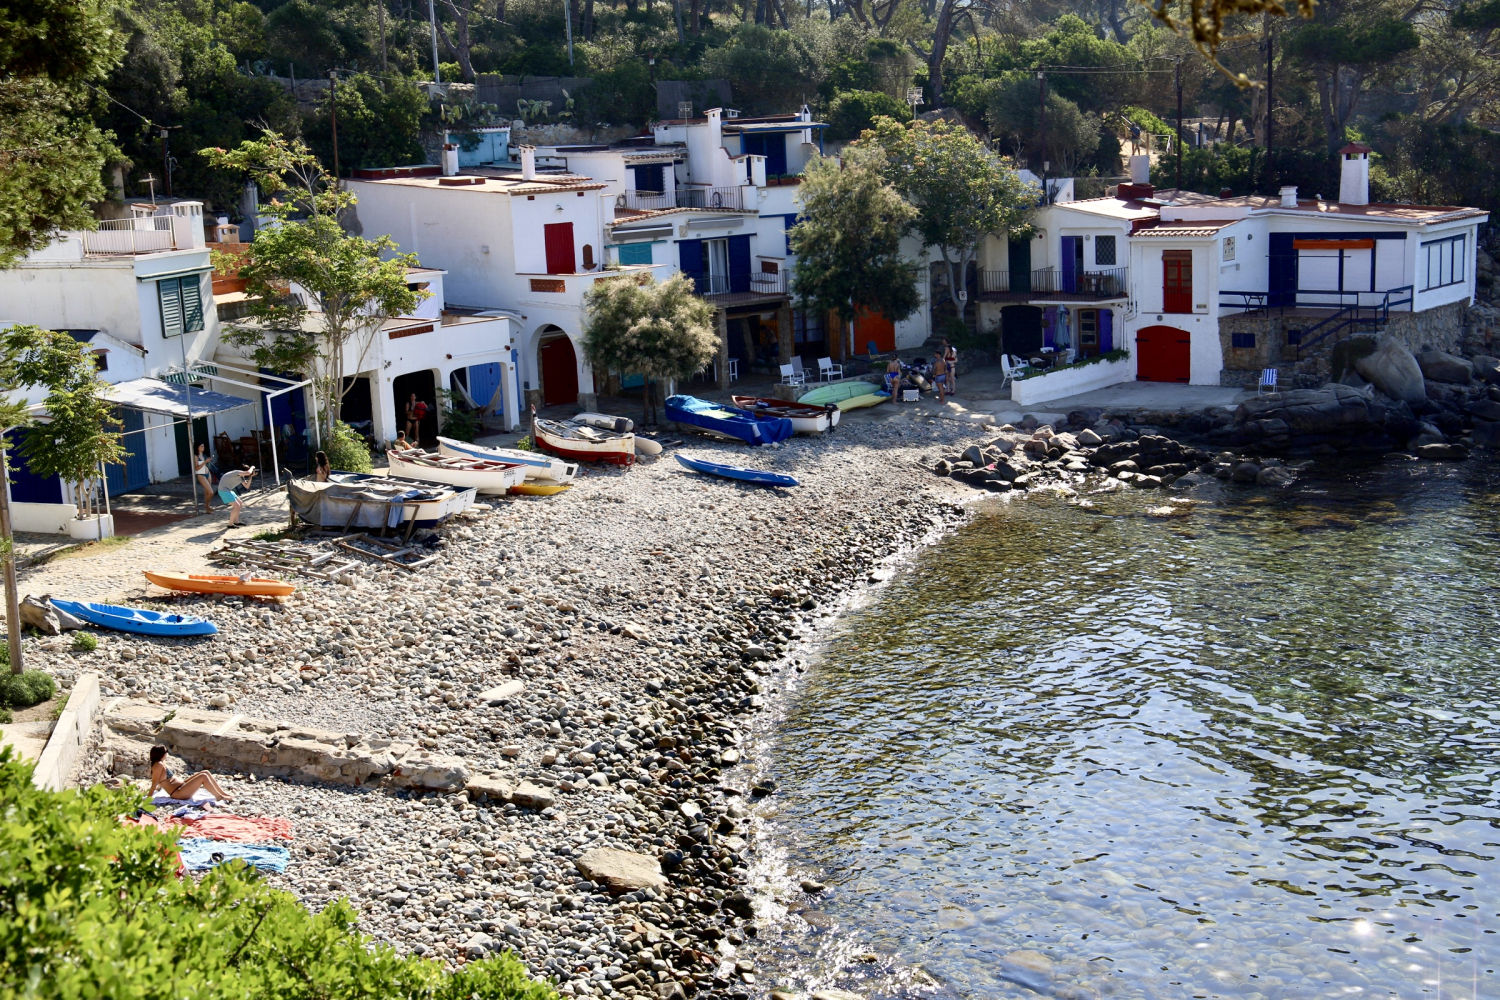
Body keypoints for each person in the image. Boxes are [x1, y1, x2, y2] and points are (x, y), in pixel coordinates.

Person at [149, 745, 231, 802]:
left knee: (205, 772)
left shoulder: (161, 763)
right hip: (178, 793)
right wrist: (148, 798)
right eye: (166, 751)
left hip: (181, 787)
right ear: (161, 754)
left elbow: (161, 781)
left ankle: (222, 793)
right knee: (203, 776)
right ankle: (218, 797)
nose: (167, 753)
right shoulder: (158, 765)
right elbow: (154, 782)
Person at [192, 442, 214, 514]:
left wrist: (208, 461)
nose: (203, 447)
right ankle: (206, 506)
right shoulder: (196, 456)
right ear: (197, 447)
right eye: (201, 446)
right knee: (211, 492)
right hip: (201, 475)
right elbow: (196, 468)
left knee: (207, 492)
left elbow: (205, 464)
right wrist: (205, 462)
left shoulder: (203, 454)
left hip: (207, 473)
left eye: (203, 446)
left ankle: (208, 508)